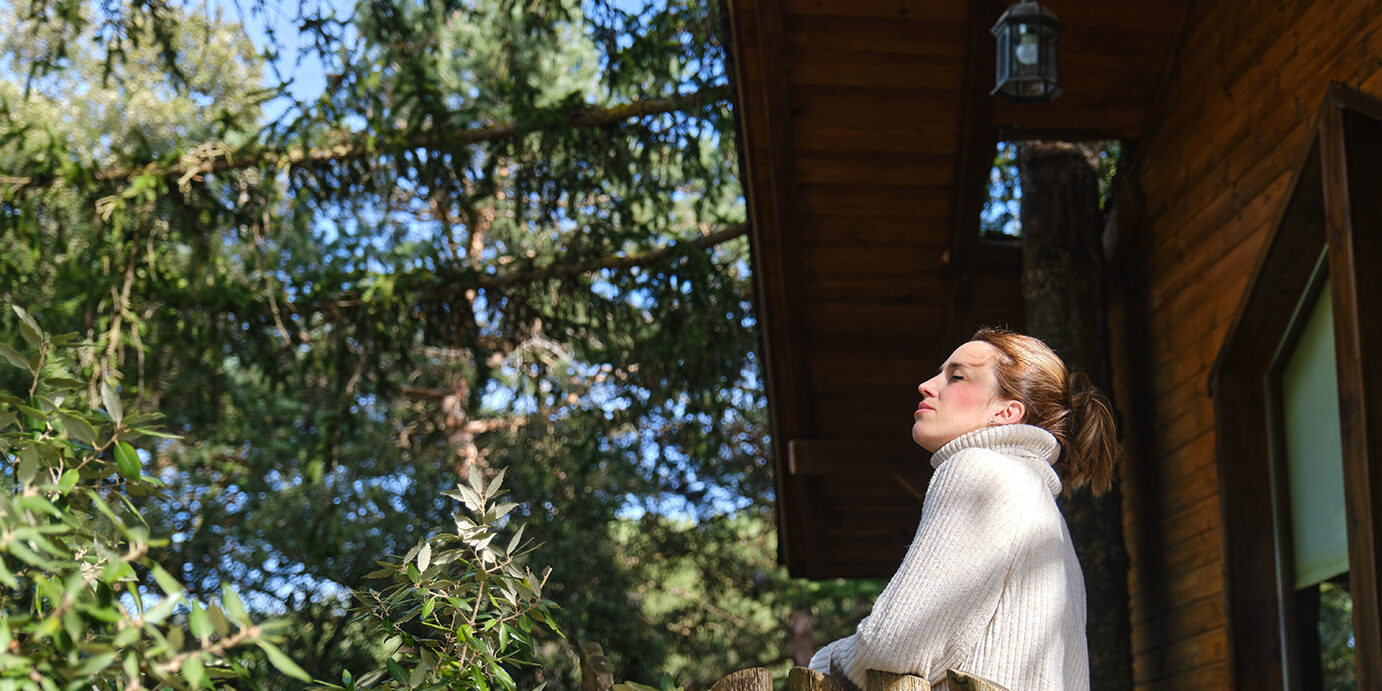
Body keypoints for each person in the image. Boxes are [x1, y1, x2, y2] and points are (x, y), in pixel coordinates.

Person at [807, 328, 1118, 691]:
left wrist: (823, 662)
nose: (926, 385)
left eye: (956, 376)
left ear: (1007, 411)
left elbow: (892, 645)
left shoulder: (978, 471)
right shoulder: (1047, 517)